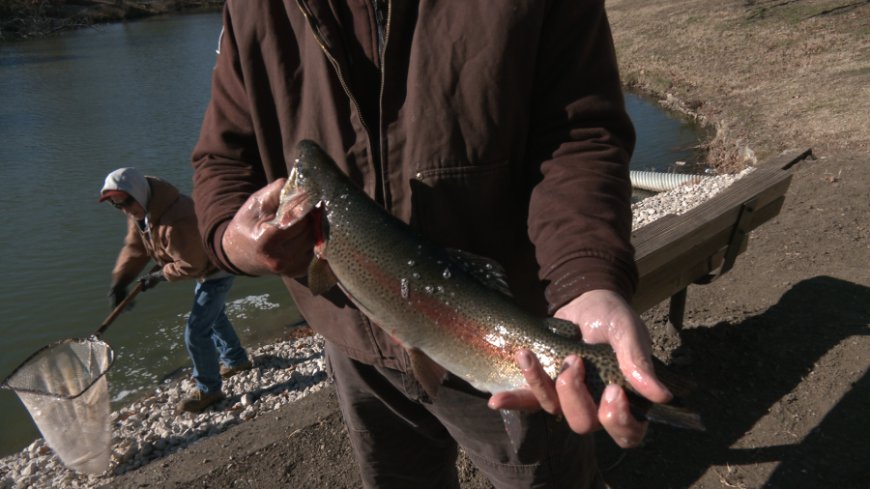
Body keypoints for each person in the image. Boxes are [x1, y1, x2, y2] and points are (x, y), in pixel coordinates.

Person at [191, 1, 671, 487]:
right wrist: (234, 243)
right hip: (356, 345)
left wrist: (584, 280)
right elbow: (223, 162)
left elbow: (580, 136)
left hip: (507, 332)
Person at [100, 167, 252, 413]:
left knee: (195, 331)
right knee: (214, 316)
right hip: (204, 268)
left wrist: (160, 275)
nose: (125, 210)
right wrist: (121, 280)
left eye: (126, 202)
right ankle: (236, 360)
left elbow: (193, 265)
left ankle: (209, 389)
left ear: (137, 194)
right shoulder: (141, 212)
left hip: (217, 268)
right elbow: (136, 248)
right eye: (117, 206)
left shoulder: (177, 219)